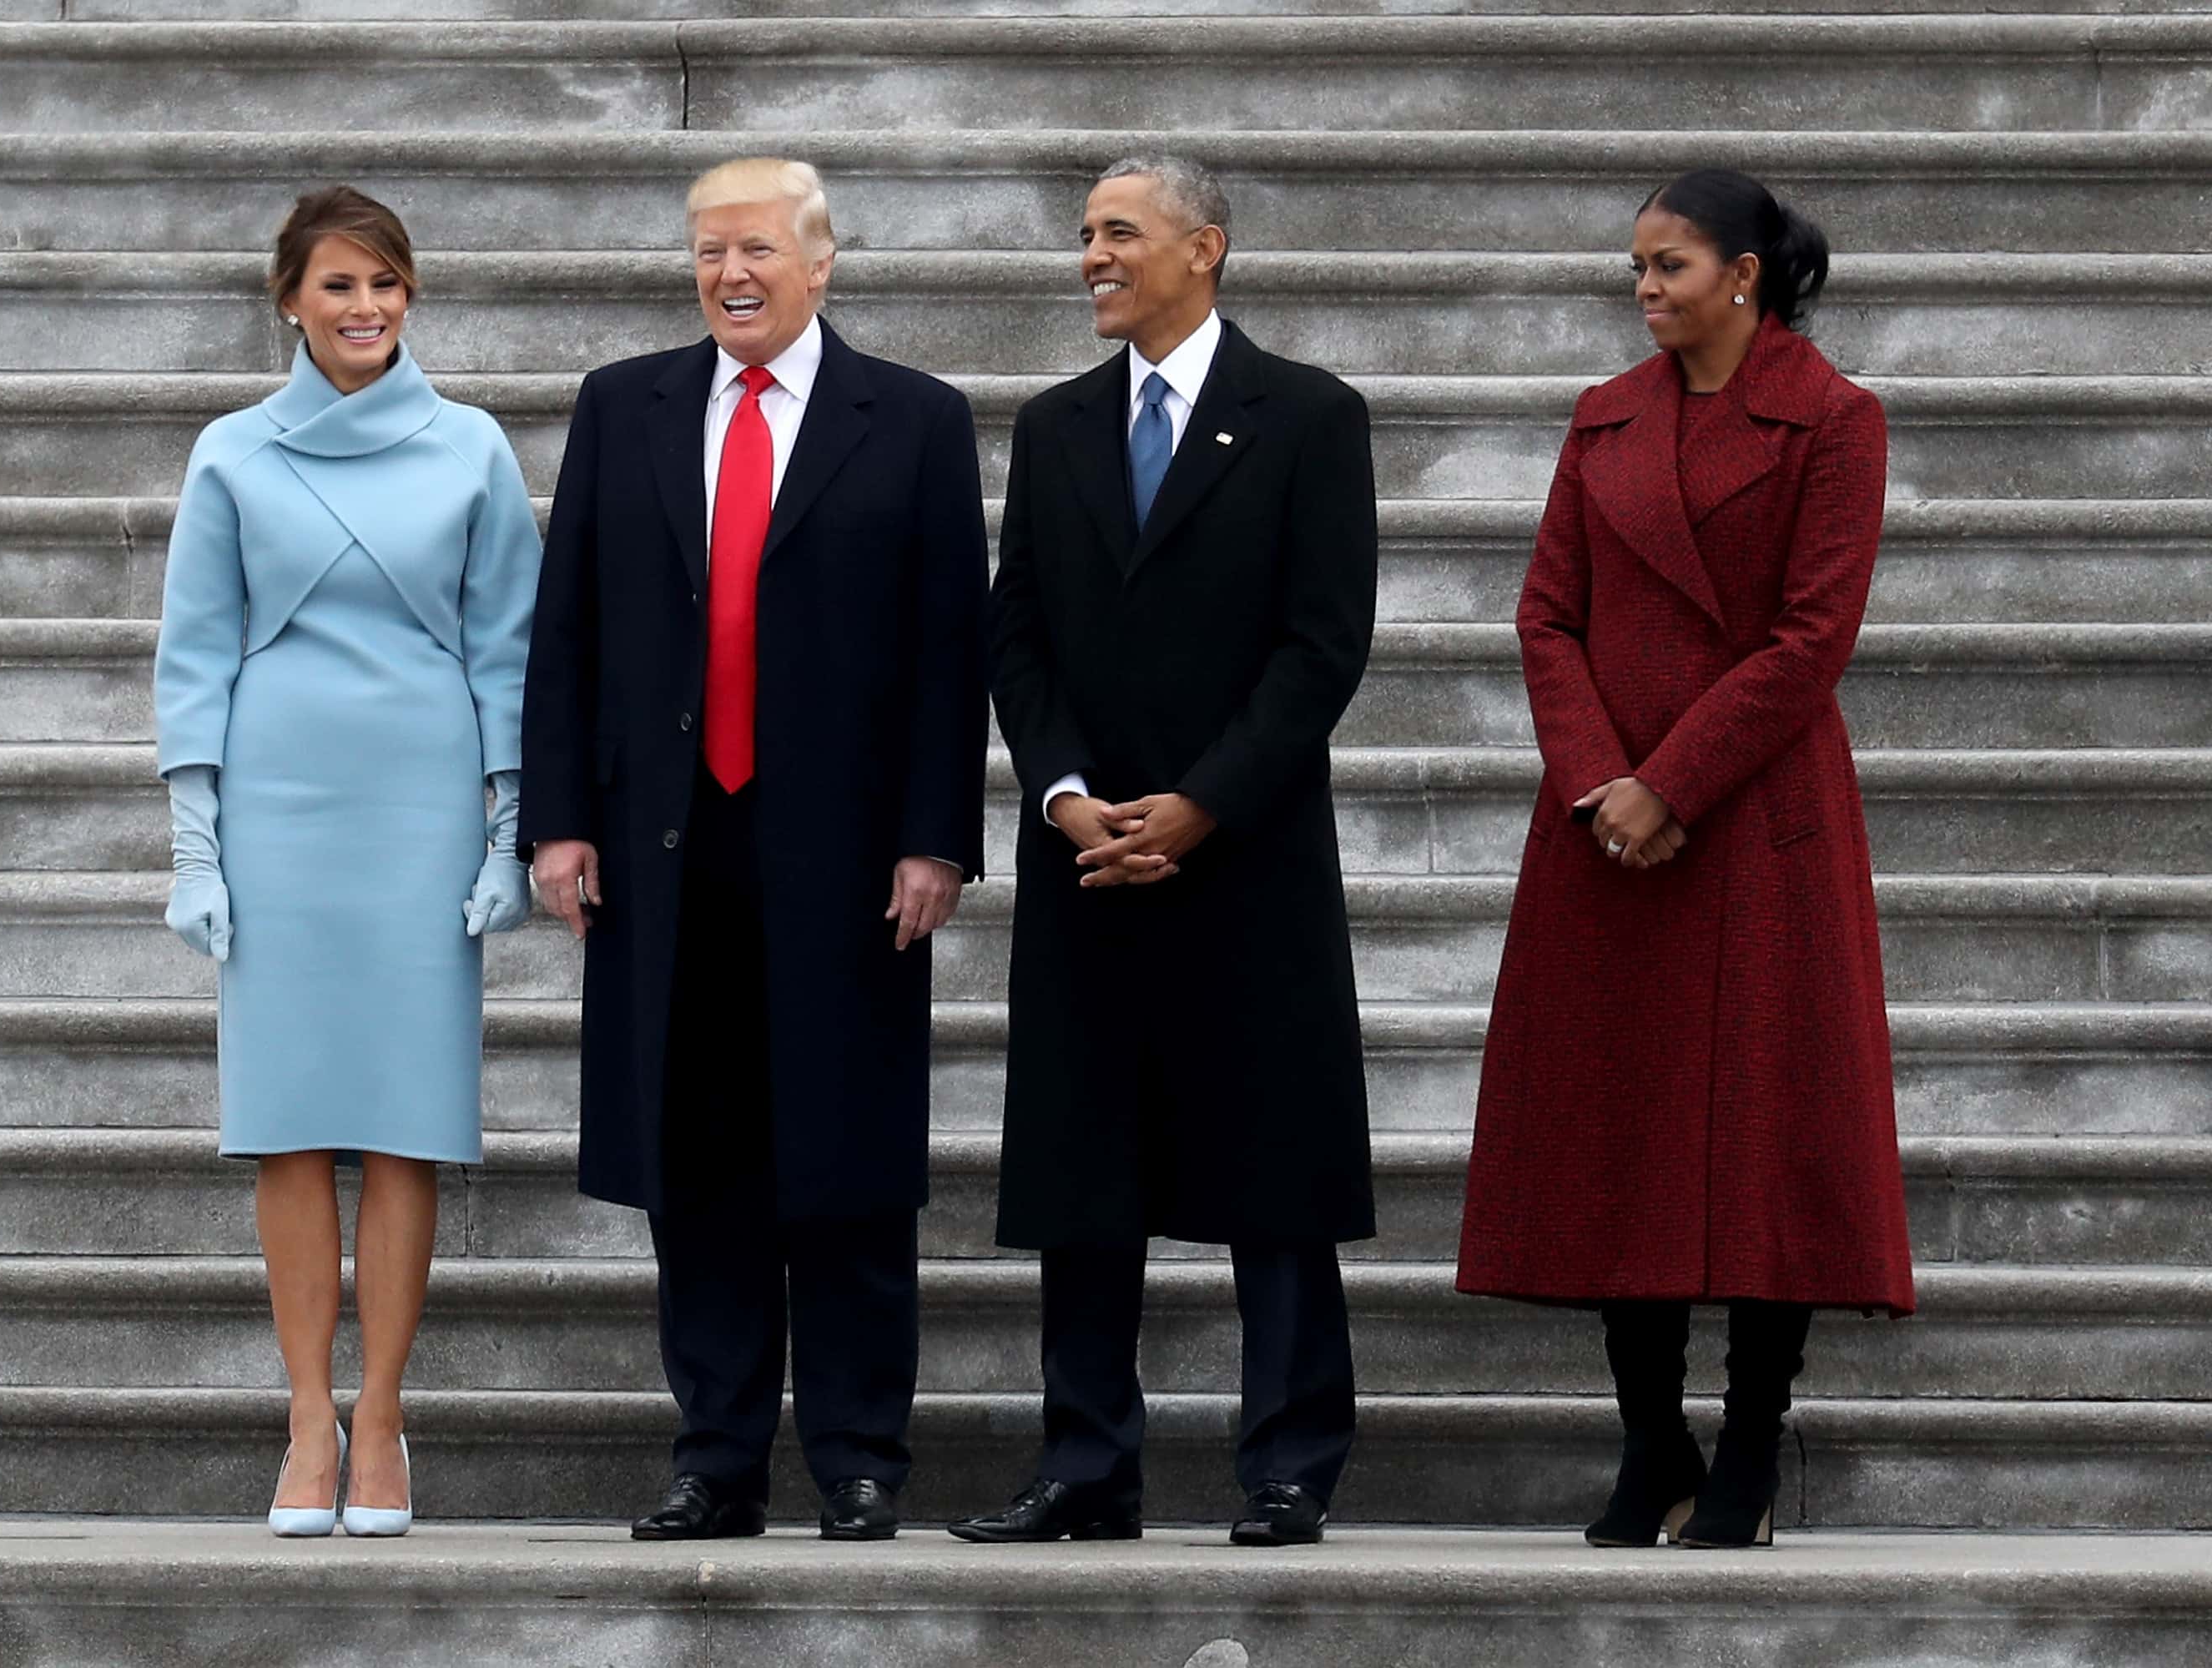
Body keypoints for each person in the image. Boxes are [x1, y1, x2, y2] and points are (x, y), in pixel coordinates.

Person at [518, 158, 988, 1543]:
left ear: (822, 262)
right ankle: (716, 1455)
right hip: (670, 848)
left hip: (846, 858)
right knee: (699, 1158)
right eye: (709, 250)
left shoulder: (912, 420)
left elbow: (947, 651)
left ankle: (856, 1457)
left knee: (845, 1163)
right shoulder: (626, 406)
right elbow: (569, 630)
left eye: (758, 251)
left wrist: (934, 840)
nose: (731, 273)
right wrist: (559, 818)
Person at [1455, 169, 1917, 1551]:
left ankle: (1751, 1448)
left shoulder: (1834, 420)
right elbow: (1547, 616)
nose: (1645, 289)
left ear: (1744, 277)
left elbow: (1809, 639)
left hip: (1755, 822)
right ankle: (1650, 1440)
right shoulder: (1603, 419)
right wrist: (1604, 780)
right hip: (1605, 829)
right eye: (1636, 270)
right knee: (1617, 1131)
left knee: (1767, 1139)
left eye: (1668, 266)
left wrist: (1672, 782)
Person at [951, 155, 1378, 1550]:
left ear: (1206, 248)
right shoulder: (1058, 424)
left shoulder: (1310, 417)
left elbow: (1323, 647)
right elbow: (1016, 635)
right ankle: (1086, 1464)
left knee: (1274, 1166)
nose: (1092, 256)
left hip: (1243, 858)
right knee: (1086, 1174)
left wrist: (1201, 806)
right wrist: (1069, 794)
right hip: (1089, 861)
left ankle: (1290, 1464)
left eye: (1117, 234)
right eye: (1083, 235)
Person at [153, 185, 541, 1539]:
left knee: (403, 1117)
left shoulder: (472, 448)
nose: (365, 309)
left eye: (386, 285)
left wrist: (506, 831)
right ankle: (306, 1420)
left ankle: (382, 1419)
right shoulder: (233, 455)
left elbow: (511, 649)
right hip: (282, 806)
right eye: (338, 286)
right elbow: (195, 652)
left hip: (420, 807)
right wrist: (197, 847)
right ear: (288, 301)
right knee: (289, 1120)